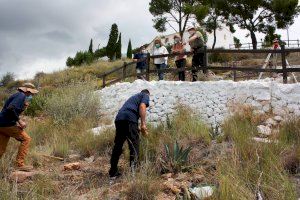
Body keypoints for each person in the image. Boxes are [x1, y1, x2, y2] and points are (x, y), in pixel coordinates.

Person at [109, 89, 150, 178]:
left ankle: (113, 172)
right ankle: (133, 174)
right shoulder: (145, 95)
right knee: (134, 146)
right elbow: (142, 106)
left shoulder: (133, 97)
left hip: (119, 119)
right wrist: (143, 124)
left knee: (118, 146)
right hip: (130, 119)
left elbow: (130, 112)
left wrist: (137, 127)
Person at [0, 83, 38, 171]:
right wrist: (19, 121)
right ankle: (19, 164)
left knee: (1, 149)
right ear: (27, 90)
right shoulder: (21, 95)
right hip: (7, 125)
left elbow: (9, 111)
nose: (32, 95)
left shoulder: (16, 95)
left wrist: (15, 122)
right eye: (31, 93)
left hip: (2, 125)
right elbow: (11, 108)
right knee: (26, 139)